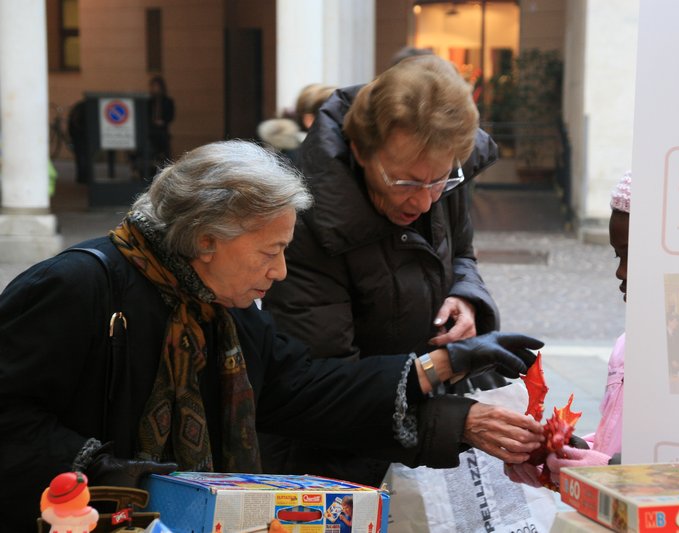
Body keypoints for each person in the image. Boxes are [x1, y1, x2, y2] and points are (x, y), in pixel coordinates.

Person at [0, 140, 545, 533]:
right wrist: (106, 470)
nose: (281, 271)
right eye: (270, 251)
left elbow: (301, 388)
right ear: (208, 239)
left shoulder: (220, 303)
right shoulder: (77, 285)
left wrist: (445, 375)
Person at [261, 54, 518, 485]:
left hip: (413, 429)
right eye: (404, 183)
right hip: (324, 468)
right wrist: (455, 418)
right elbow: (322, 389)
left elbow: (461, 256)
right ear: (360, 149)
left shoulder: (440, 172)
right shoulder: (303, 220)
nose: (423, 201)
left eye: (439, 181)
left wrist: (465, 299)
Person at [505, 171, 632, 487]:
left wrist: (600, 469)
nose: (620, 271)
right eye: (618, 255)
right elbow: (610, 443)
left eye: (633, 255)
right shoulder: (625, 348)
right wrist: (562, 454)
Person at [148, 75, 175, 171]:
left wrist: (162, 122)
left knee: (164, 151)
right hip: (151, 130)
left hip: (163, 130)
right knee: (151, 149)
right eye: (153, 86)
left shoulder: (168, 101)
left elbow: (171, 116)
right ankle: (151, 169)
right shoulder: (149, 102)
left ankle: (166, 169)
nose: (155, 89)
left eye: (157, 86)